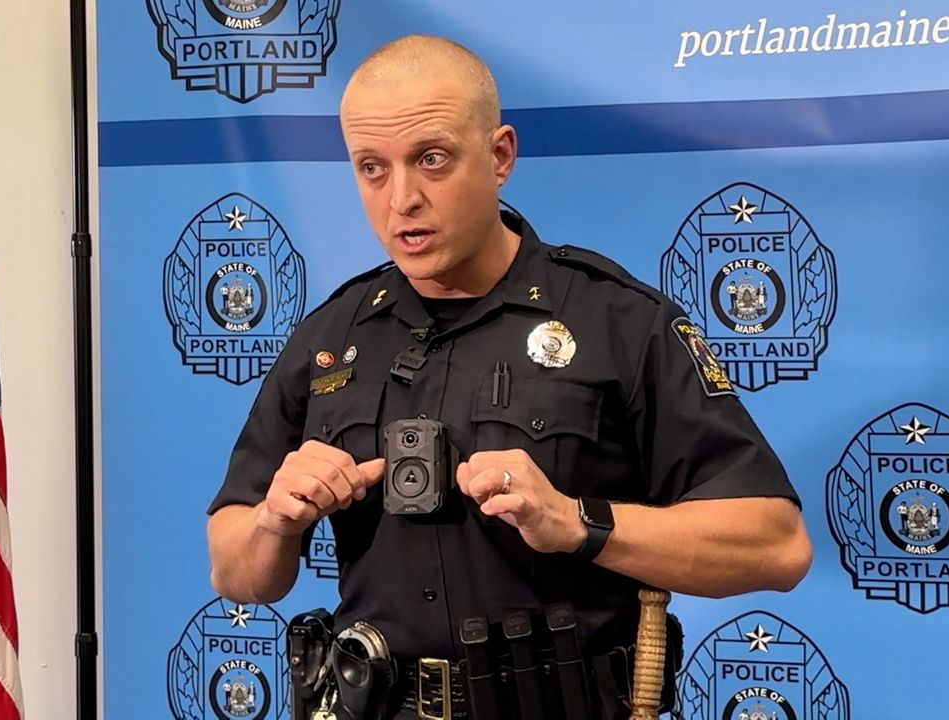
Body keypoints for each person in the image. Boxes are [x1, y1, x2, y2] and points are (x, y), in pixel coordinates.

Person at [206, 35, 812, 719]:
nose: (401, 198)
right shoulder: (329, 337)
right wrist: (275, 522)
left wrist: (576, 522)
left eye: (431, 159)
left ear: (499, 157)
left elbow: (776, 543)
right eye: (371, 168)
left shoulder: (617, 320)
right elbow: (237, 572)